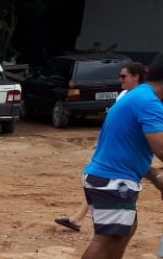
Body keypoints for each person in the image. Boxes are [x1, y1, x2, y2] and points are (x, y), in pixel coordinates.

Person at [67, 54, 163, 259]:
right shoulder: (149, 102)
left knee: (125, 229)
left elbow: (129, 148)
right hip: (112, 180)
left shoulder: (140, 97)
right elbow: (161, 146)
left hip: (112, 176)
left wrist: (155, 178)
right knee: (107, 237)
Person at [56, 62, 149, 231]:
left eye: (123, 76)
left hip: (128, 152)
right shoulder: (125, 95)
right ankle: (78, 218)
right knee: (102, 181)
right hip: (119, 151)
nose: (120, 80)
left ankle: (81, 219)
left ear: (136, 77)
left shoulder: (143, 98)